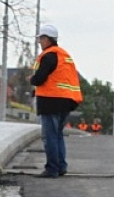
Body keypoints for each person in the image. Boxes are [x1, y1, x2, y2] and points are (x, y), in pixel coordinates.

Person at [29, 24, 83, 178]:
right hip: (66, 101)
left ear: (47, 39)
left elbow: (40, 79)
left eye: (41, 39)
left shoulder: (49, 56)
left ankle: (52, 168)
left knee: (50, 136)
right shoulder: (64, 56)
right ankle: (61, 166)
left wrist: (32, 79)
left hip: (51, 101)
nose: (40, 42)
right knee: (58, 135)